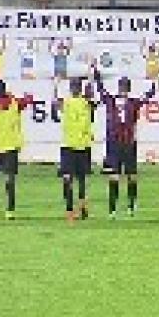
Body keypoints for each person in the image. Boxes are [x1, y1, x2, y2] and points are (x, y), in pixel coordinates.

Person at [93, 70, 157, 218]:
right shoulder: (131, 102)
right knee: (124, 176)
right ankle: (125, 207)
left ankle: (118, 209)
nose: (123, 89)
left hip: (120, 143)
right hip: (123, 143)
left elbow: (100, 88)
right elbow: (148, 95)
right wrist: (154, 82)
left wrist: (96, 74)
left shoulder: (113, 100)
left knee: (122, 176)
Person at [0, 79, 34, 219]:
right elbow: (28, 100)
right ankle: (10, 210)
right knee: (10, 180)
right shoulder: (15, 103)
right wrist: (27, 96)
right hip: (11, 147)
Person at [52, 77, 96, 222]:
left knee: (80, 179)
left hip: (80, 145)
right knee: (70, 179)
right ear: (72, 88)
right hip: (70, 146)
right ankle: (71, 209)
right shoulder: (71, 102)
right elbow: (55, 104)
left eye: (77, 86)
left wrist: (55, 85)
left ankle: (80, 207)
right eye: (74, 86)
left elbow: (55, 102)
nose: (75, 88)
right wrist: (55, 86)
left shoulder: (84, 102)